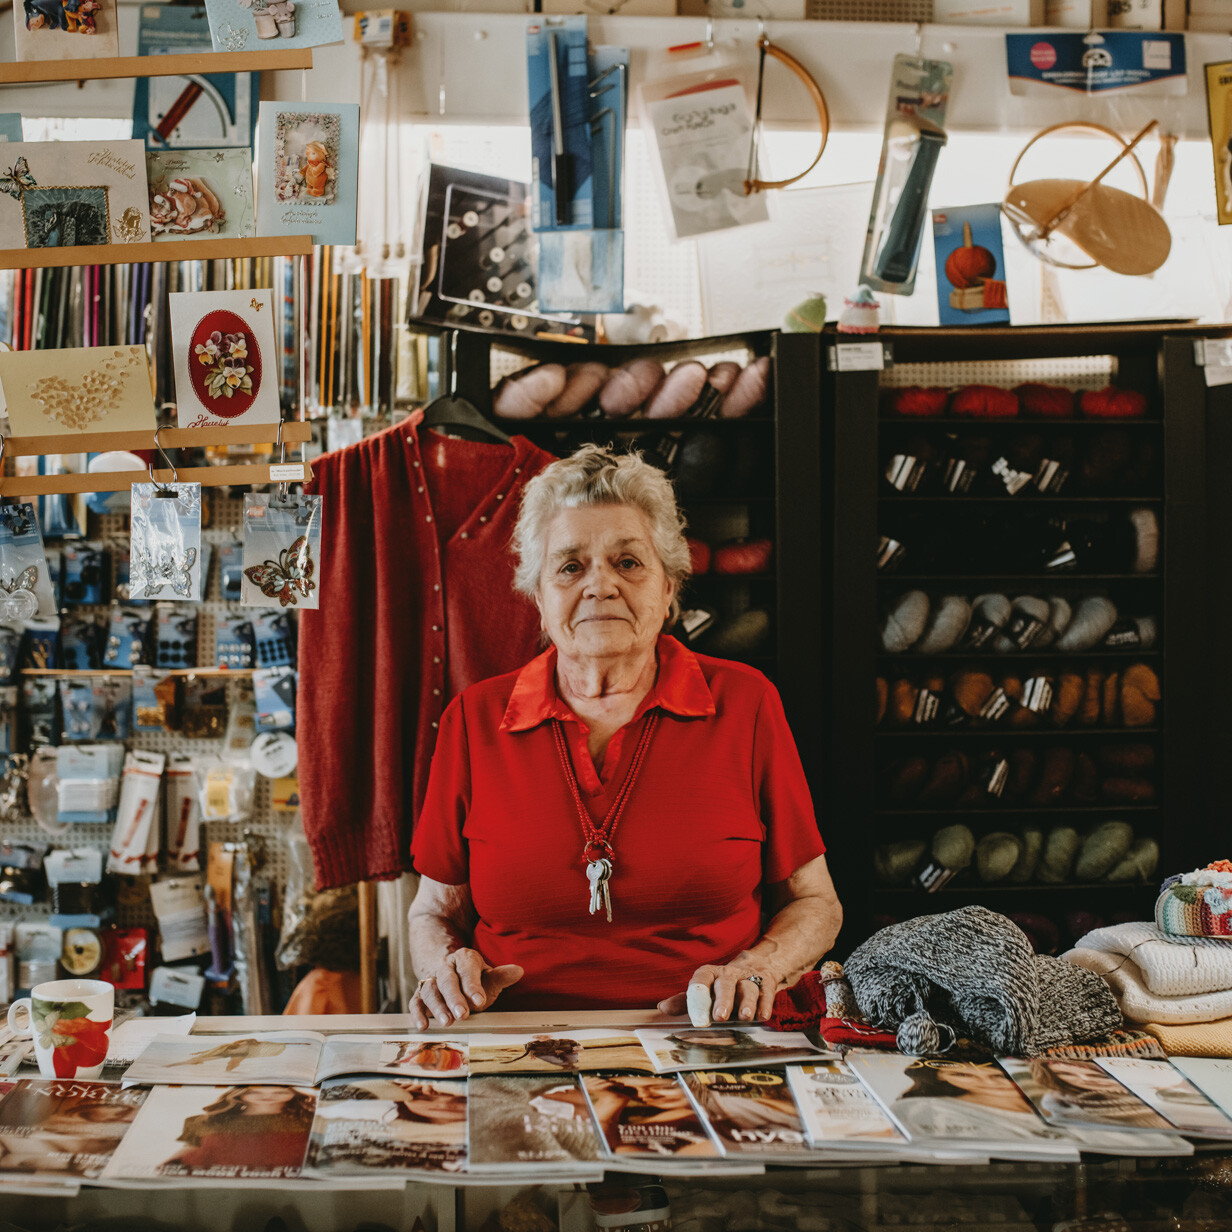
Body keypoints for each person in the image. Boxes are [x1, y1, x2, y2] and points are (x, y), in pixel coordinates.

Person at [408, 444, 842, 1023]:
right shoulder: (474, 720)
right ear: (538, 599)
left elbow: (816, 902)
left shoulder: (746, 704)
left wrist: (755, 967)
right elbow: (433, 912)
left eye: (628, 562)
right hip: (516, 1037)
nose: (601, 586)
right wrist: (444, 965)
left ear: (668, 591)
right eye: (570, 566)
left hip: (705, 1036)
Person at [165, 1086, 314, 1175]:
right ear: (240, 1094)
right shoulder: (208, 1120)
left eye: (279, 1092)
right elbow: (189, 1150)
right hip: (217, 1181)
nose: (268, 1096)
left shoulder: (309, 1119)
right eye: (255, 1092)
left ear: (295, 1093)